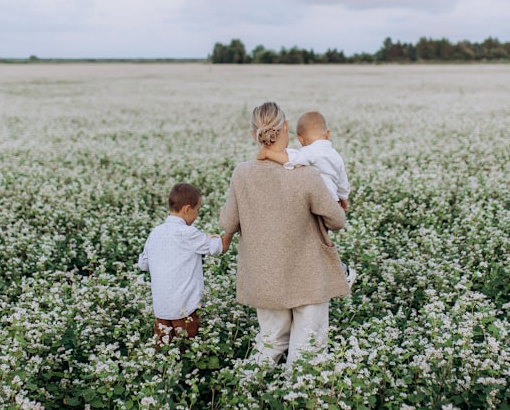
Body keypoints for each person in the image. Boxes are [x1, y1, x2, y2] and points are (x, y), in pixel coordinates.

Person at [220, 101, 350, 371]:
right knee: (307, 351)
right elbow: (337, 221)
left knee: (270, 343)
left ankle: (248, 396)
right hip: (308, 278)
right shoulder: (306, 175)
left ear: (254, 133)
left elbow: (227, 222)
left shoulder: (242, 174)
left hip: (266, 279)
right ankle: (299, 406)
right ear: (286, 127)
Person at [257, 110, 356, 285]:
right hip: (330, 204)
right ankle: (337, 271)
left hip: (316, 205)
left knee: (310, 244)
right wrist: (344, 198)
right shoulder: (335, 155)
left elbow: (292, 160)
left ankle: (340, 272)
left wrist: (267, 154)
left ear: (301, 139)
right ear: (328, 133)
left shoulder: (310, 151)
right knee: (319, 243)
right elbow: (342, 181)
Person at [138, 182, 232, 347]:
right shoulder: (189, 233)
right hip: (185, 308)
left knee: (163, 350)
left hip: (161, 308)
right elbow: (221, 247)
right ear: (187, 209)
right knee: (188, 350)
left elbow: (143, 265)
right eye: (198, 210)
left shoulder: (156, 233)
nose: (197, 214)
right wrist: (231, 230)